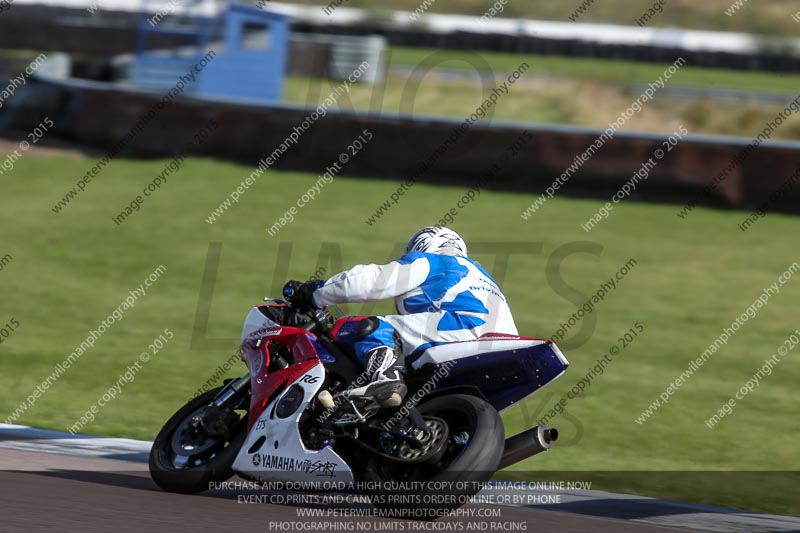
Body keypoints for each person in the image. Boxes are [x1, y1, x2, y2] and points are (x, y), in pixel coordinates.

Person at [288, 226, 518, 408]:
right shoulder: (486, 277)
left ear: (423, 244)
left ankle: (386, 379)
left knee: (371, 327)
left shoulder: (432, 261)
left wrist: (316, 293)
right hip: (506, 346)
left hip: (464, 329)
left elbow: (370, 281)